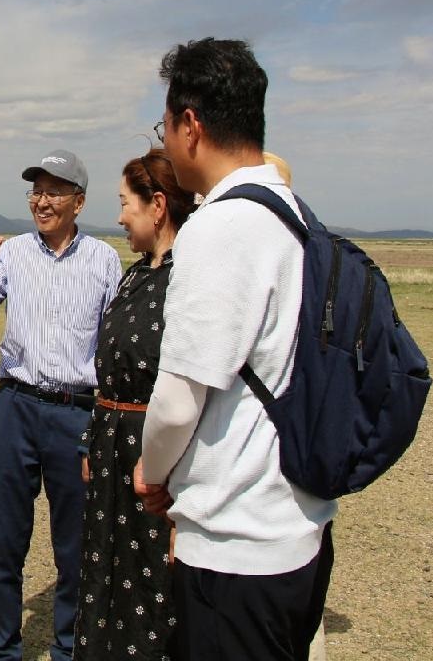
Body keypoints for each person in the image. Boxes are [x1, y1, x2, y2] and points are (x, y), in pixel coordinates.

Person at [135, 38, 337, 661]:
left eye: (164, 128)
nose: (167, 142)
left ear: (190, 125)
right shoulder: (293, 213)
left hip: (236, 546)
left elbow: (176, 404)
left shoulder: (219, 227)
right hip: (300, 527)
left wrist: (151, 473)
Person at [0, 149, 123, 661]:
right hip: (16, 407)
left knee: (75, 548)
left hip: (77, 413)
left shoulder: (104, 260)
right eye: (36, 191)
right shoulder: (12, 253)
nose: (42, 201)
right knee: (7, 545)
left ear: (79, 202)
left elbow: (113, 344)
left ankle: (67, 649)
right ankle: (4, 651)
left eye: (54, 192)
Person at [72, 149, 196, 660]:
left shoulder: (189, 280)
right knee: (103, 577)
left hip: (157, 465)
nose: (120, 217)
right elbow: (111, 371)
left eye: (126, 203)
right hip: (111, 457)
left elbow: (192, 389)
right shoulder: (135, 275)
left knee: (150, 588)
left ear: (157, 206)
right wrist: (92, 439)